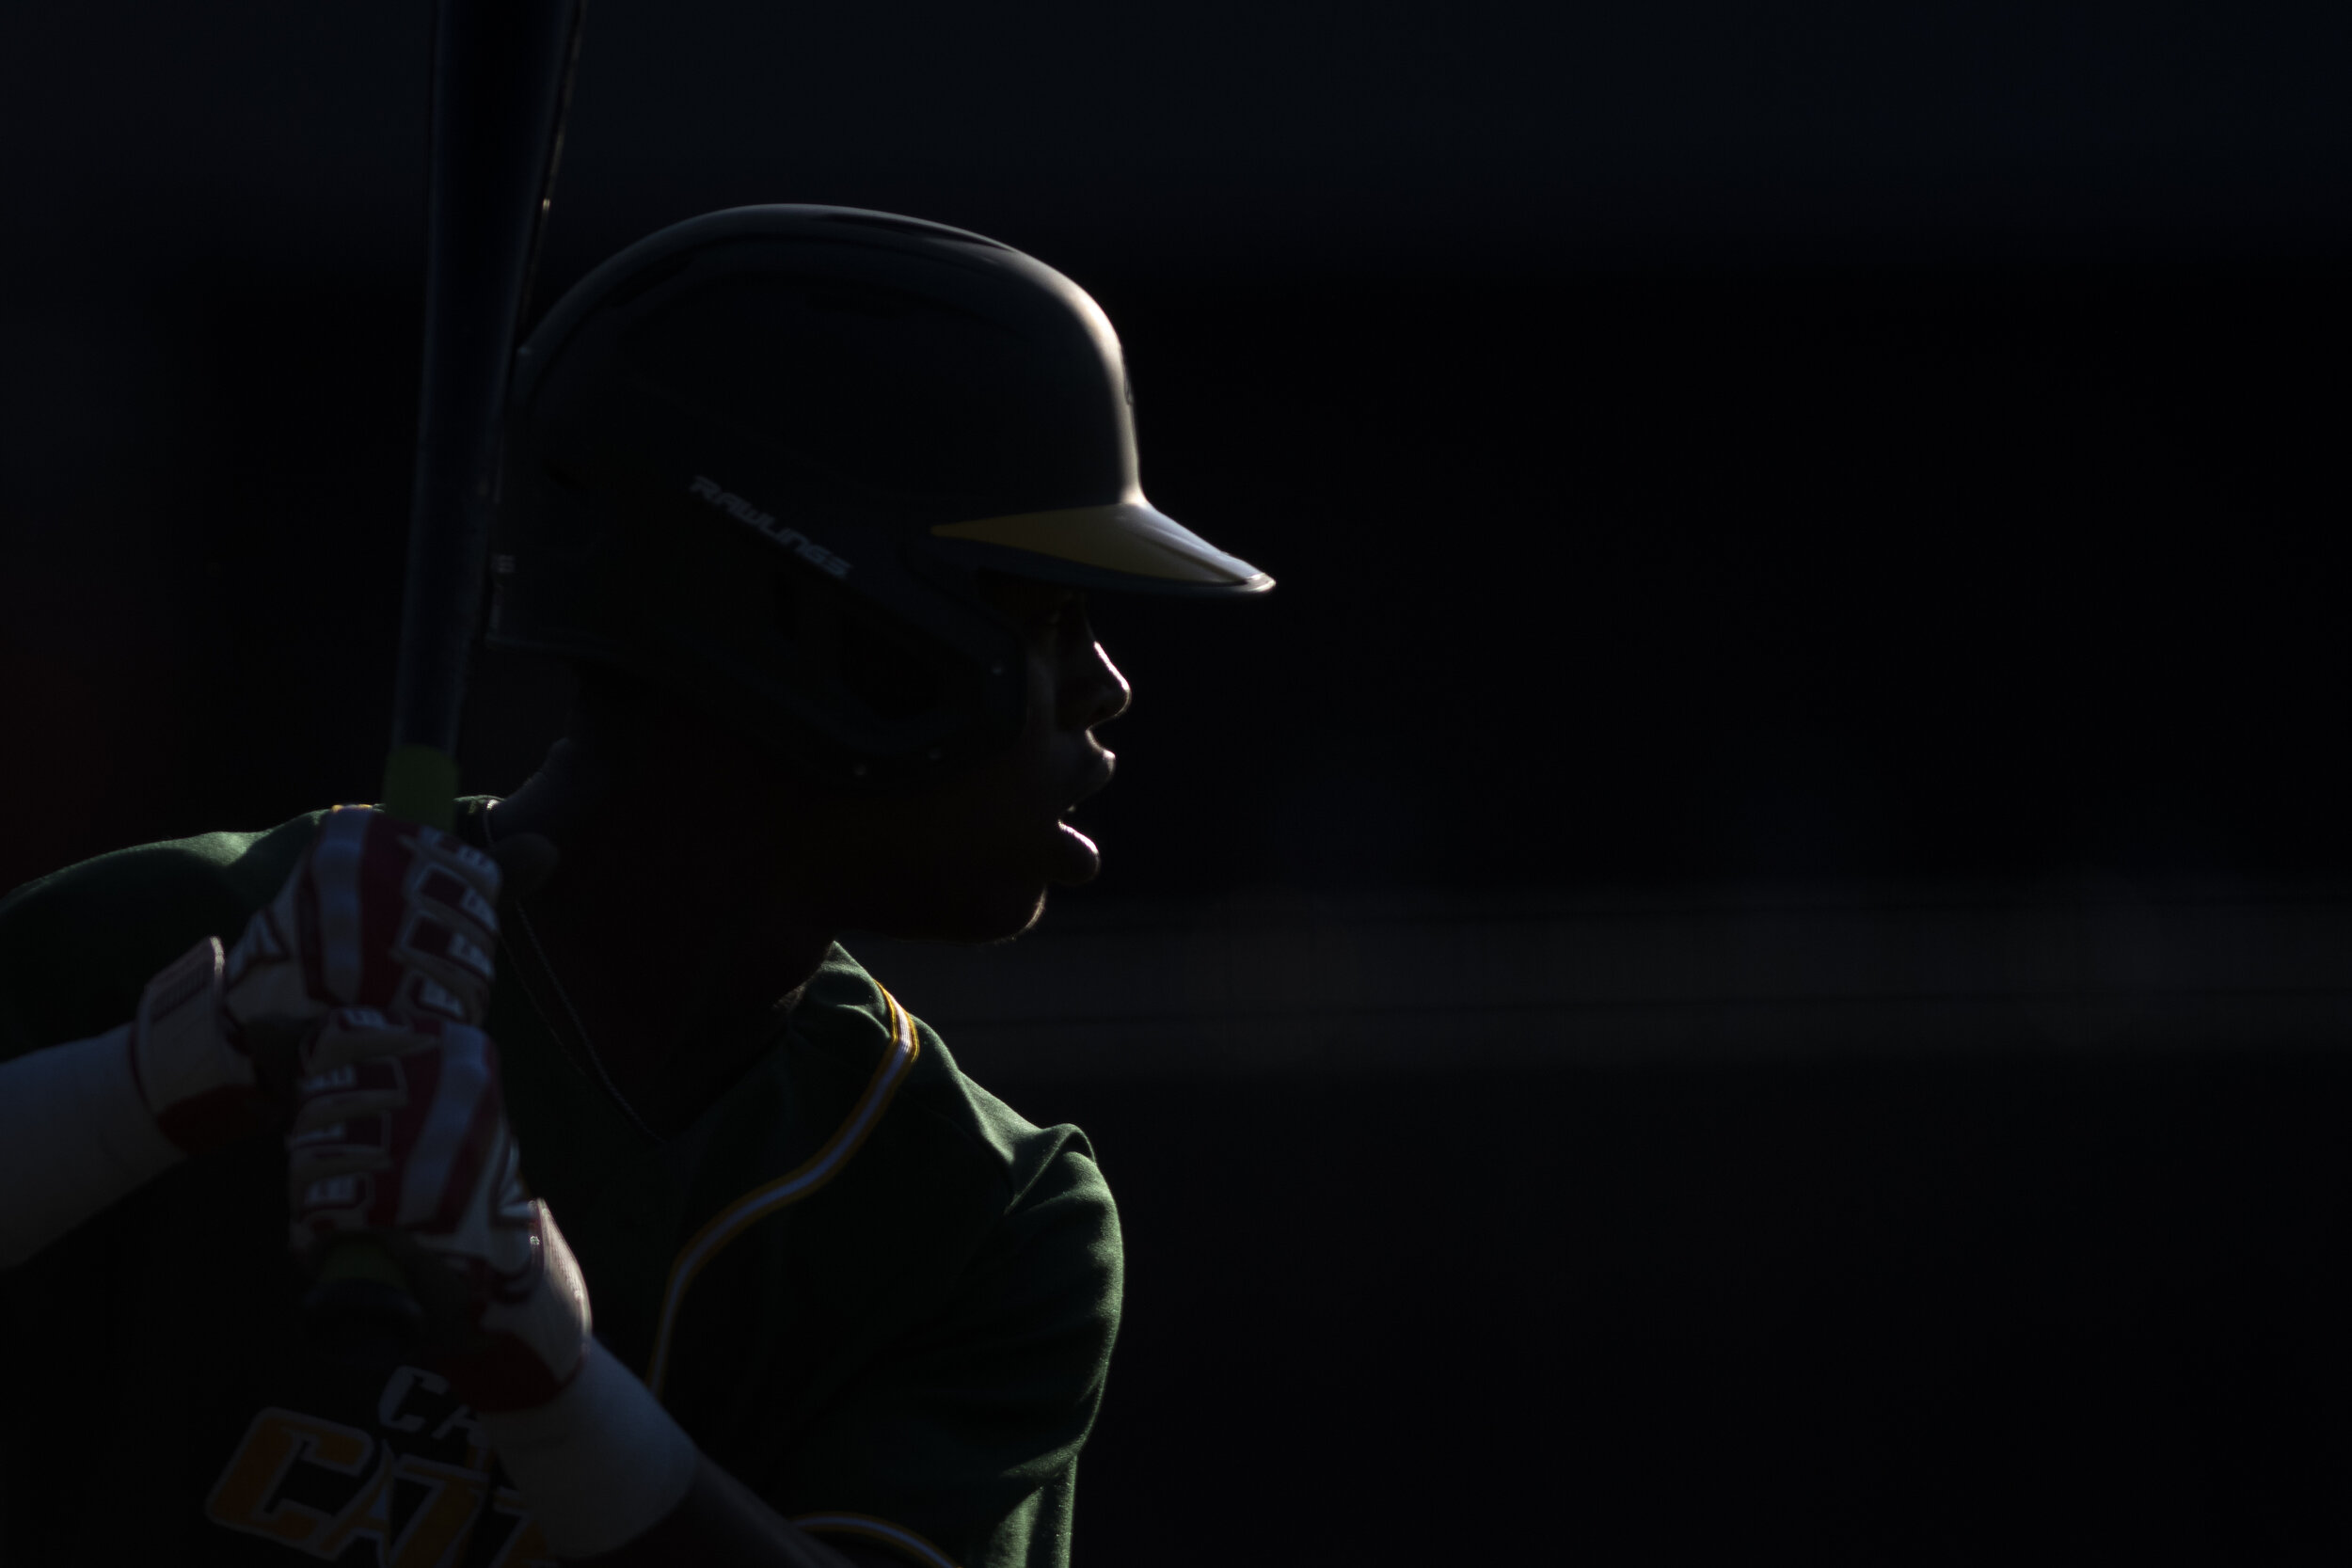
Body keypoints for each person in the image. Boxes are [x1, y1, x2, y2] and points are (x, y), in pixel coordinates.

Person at [0, 205, 1273, 1567]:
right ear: (829, 629)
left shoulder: (978, 1219)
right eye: (1046, 616)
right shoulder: (174, 943)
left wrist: (542, 1370)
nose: (1107, 689)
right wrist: (153, 1085)